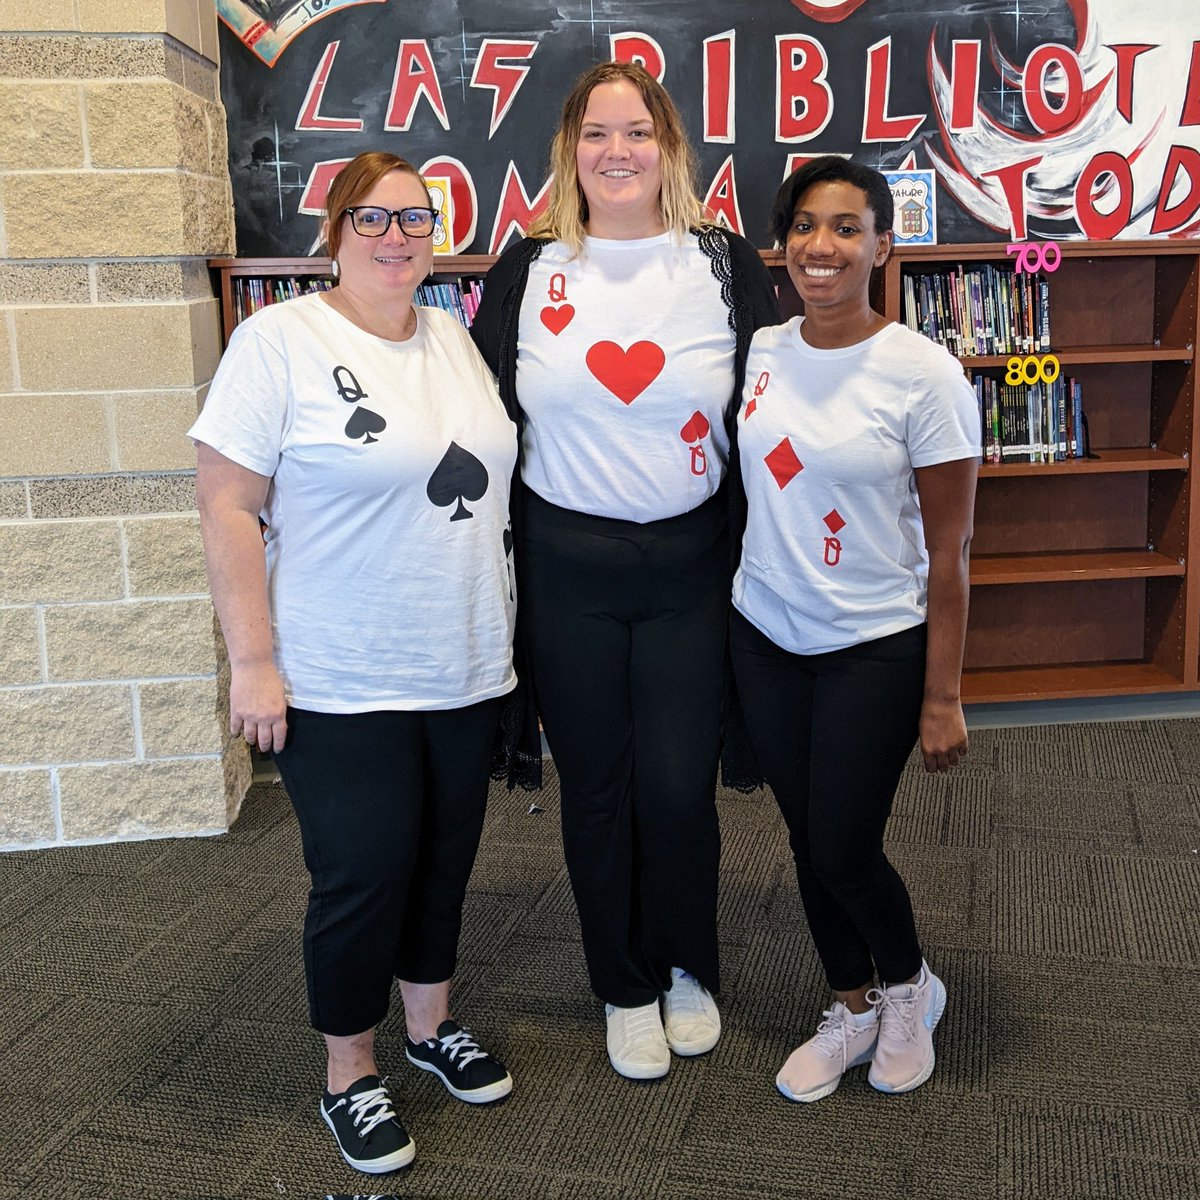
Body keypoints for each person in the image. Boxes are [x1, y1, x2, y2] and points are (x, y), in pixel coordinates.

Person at [191, 151, 517, 1174]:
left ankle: (428, 1032)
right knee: (363, 876)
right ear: (334, 231)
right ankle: (351, 1074)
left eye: (415, 218)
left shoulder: (455, 335)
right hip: (340, 671)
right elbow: (227, 506)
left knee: (443, 866)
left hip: (462, 660)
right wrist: (253, 661)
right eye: (372, 219)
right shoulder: (277, 341)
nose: (395, 236)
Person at [470, 61, 780, 1081]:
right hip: (569, 569)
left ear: (669, 148)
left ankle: (690, 962)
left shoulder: (726, 264)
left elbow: (776, 404)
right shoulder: (526, 270)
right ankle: (622, 982)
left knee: (679, 786)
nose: (617, 153)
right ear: (569, 151)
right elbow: (480, 422)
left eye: (636, 133)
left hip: (692, 567)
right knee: (596, 787)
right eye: (596, 134)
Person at [730, 156, 978, 1102]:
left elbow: (950, 554)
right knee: (804, 838)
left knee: (842, 844)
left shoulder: (923, 374)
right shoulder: (762, 350)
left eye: (844, 227)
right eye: (803, 226)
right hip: (765, 636)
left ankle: (912, 986)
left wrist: (944, 694)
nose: (819, 246)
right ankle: (852, 1001)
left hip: (875, 645)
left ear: (882, 242)